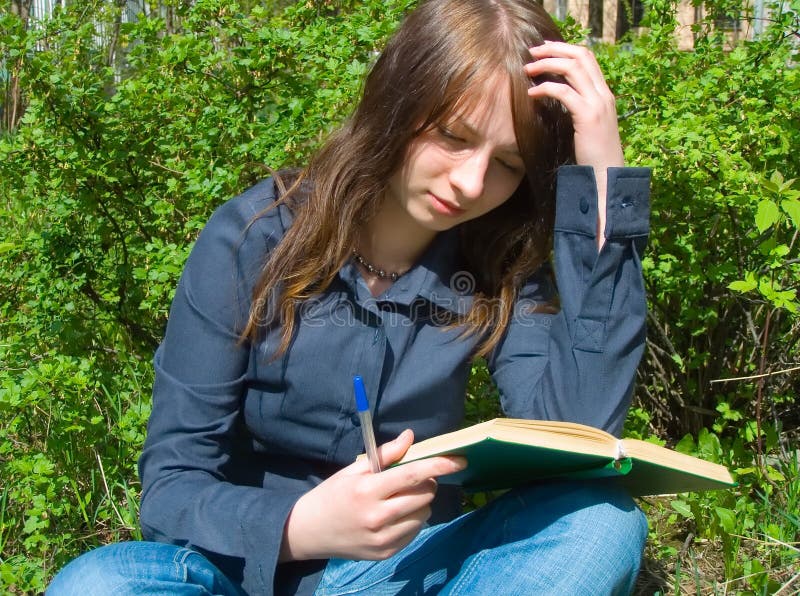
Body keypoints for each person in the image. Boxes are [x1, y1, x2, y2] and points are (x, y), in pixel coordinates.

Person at [47, 0, 651, 594]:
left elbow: (575, 442)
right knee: (99, 584)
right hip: (234, 572)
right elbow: (171, 488)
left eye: (508, 164)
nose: (470, 183)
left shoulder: (499, 271)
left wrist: (604, 184)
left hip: (403, 574)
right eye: (452, 135)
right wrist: (301, 527)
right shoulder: (254, 239)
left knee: (599, 523)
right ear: (398, 98)